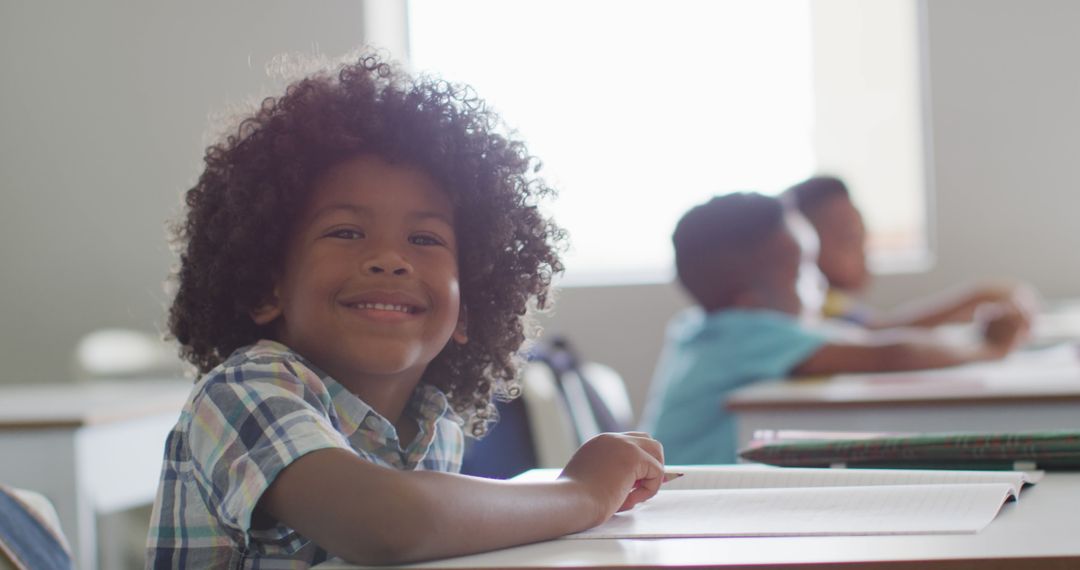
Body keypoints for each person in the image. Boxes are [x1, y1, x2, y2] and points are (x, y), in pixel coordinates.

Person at [146, 52, 666, 567]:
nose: (390, 260)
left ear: (468, 309)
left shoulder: (434, 428)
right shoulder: (242, 393)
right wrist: (582, 493)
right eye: (346, 232)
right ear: (265, 288)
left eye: (424, 238)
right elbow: (389, 525)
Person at [640, 193, 1028, 465]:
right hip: (694, 503)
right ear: (747, 297)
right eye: (802, 270)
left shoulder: (702, 328)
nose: (818, 283)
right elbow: (890, 353)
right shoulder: (745, 333)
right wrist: (988, 349)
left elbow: (867, 339)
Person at [782, 175, 1034, 329]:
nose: (864, 254)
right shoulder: (815, 307)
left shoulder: (836, 303)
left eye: (864, 239)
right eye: (850, 240)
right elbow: (881, 333)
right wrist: (977, 296)